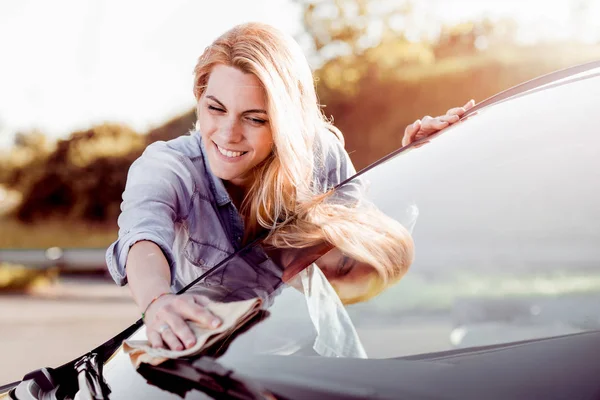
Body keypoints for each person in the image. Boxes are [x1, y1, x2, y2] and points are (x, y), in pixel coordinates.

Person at [105, 22, 473, 351]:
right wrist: (156, 300)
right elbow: (143, 234)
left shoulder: (320, 161)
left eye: (255, 119)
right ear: (199, 98)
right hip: (202, 365)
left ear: (286, 123)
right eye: (215, 109)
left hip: (281, 367)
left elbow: (369, 228)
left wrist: (417, 153)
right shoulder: (170, 168)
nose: (229, 134)